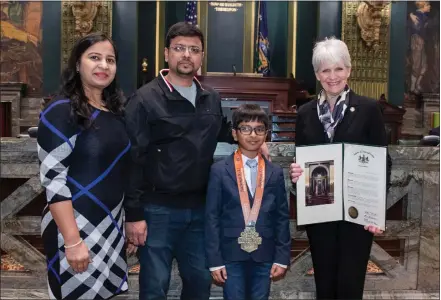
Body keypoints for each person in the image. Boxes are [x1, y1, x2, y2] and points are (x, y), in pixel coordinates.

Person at [124, 22, 269, 300]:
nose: (186, 55)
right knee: (155, 287)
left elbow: (225, 131)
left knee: (200, 284)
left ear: (201, 57)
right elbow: (133, 159)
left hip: (201, 211)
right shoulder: (144, 99)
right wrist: (134, 215)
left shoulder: (209, 98)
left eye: (194, 50)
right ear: (167, 54)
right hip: (157, 211)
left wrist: (256, 142)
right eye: (180, 48)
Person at [289, 37, 392, 299]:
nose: (332, 76)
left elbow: (383, 162)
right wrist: (297, 175)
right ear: (316, 74)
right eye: (325, 70)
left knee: (349, 285)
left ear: (348, 70)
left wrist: (376, 212)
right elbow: (301, 159)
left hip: (357, 215)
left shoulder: (369, 109)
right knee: (324, 283)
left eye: (338, 68)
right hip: (320, 211)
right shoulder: (305, 113)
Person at [37, 32, 131, 299]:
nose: (103, 65)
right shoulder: (60, 111)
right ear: (77, 64)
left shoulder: (115, 113)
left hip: (110, 225)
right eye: (94, 58)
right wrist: (72, 240)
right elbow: (53, 181)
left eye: (110, 60)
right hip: (74, 227)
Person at [205, 104, 291, 300]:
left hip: (265, 254)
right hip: (231, 253)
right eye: (246, 129)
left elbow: (281, 217)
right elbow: (211, 217)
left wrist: (282, 257)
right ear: (235, 134)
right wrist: (215, 260)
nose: (253, 135)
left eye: (259, 129)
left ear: (266, 134)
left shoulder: (274, 172)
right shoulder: (219, 170)